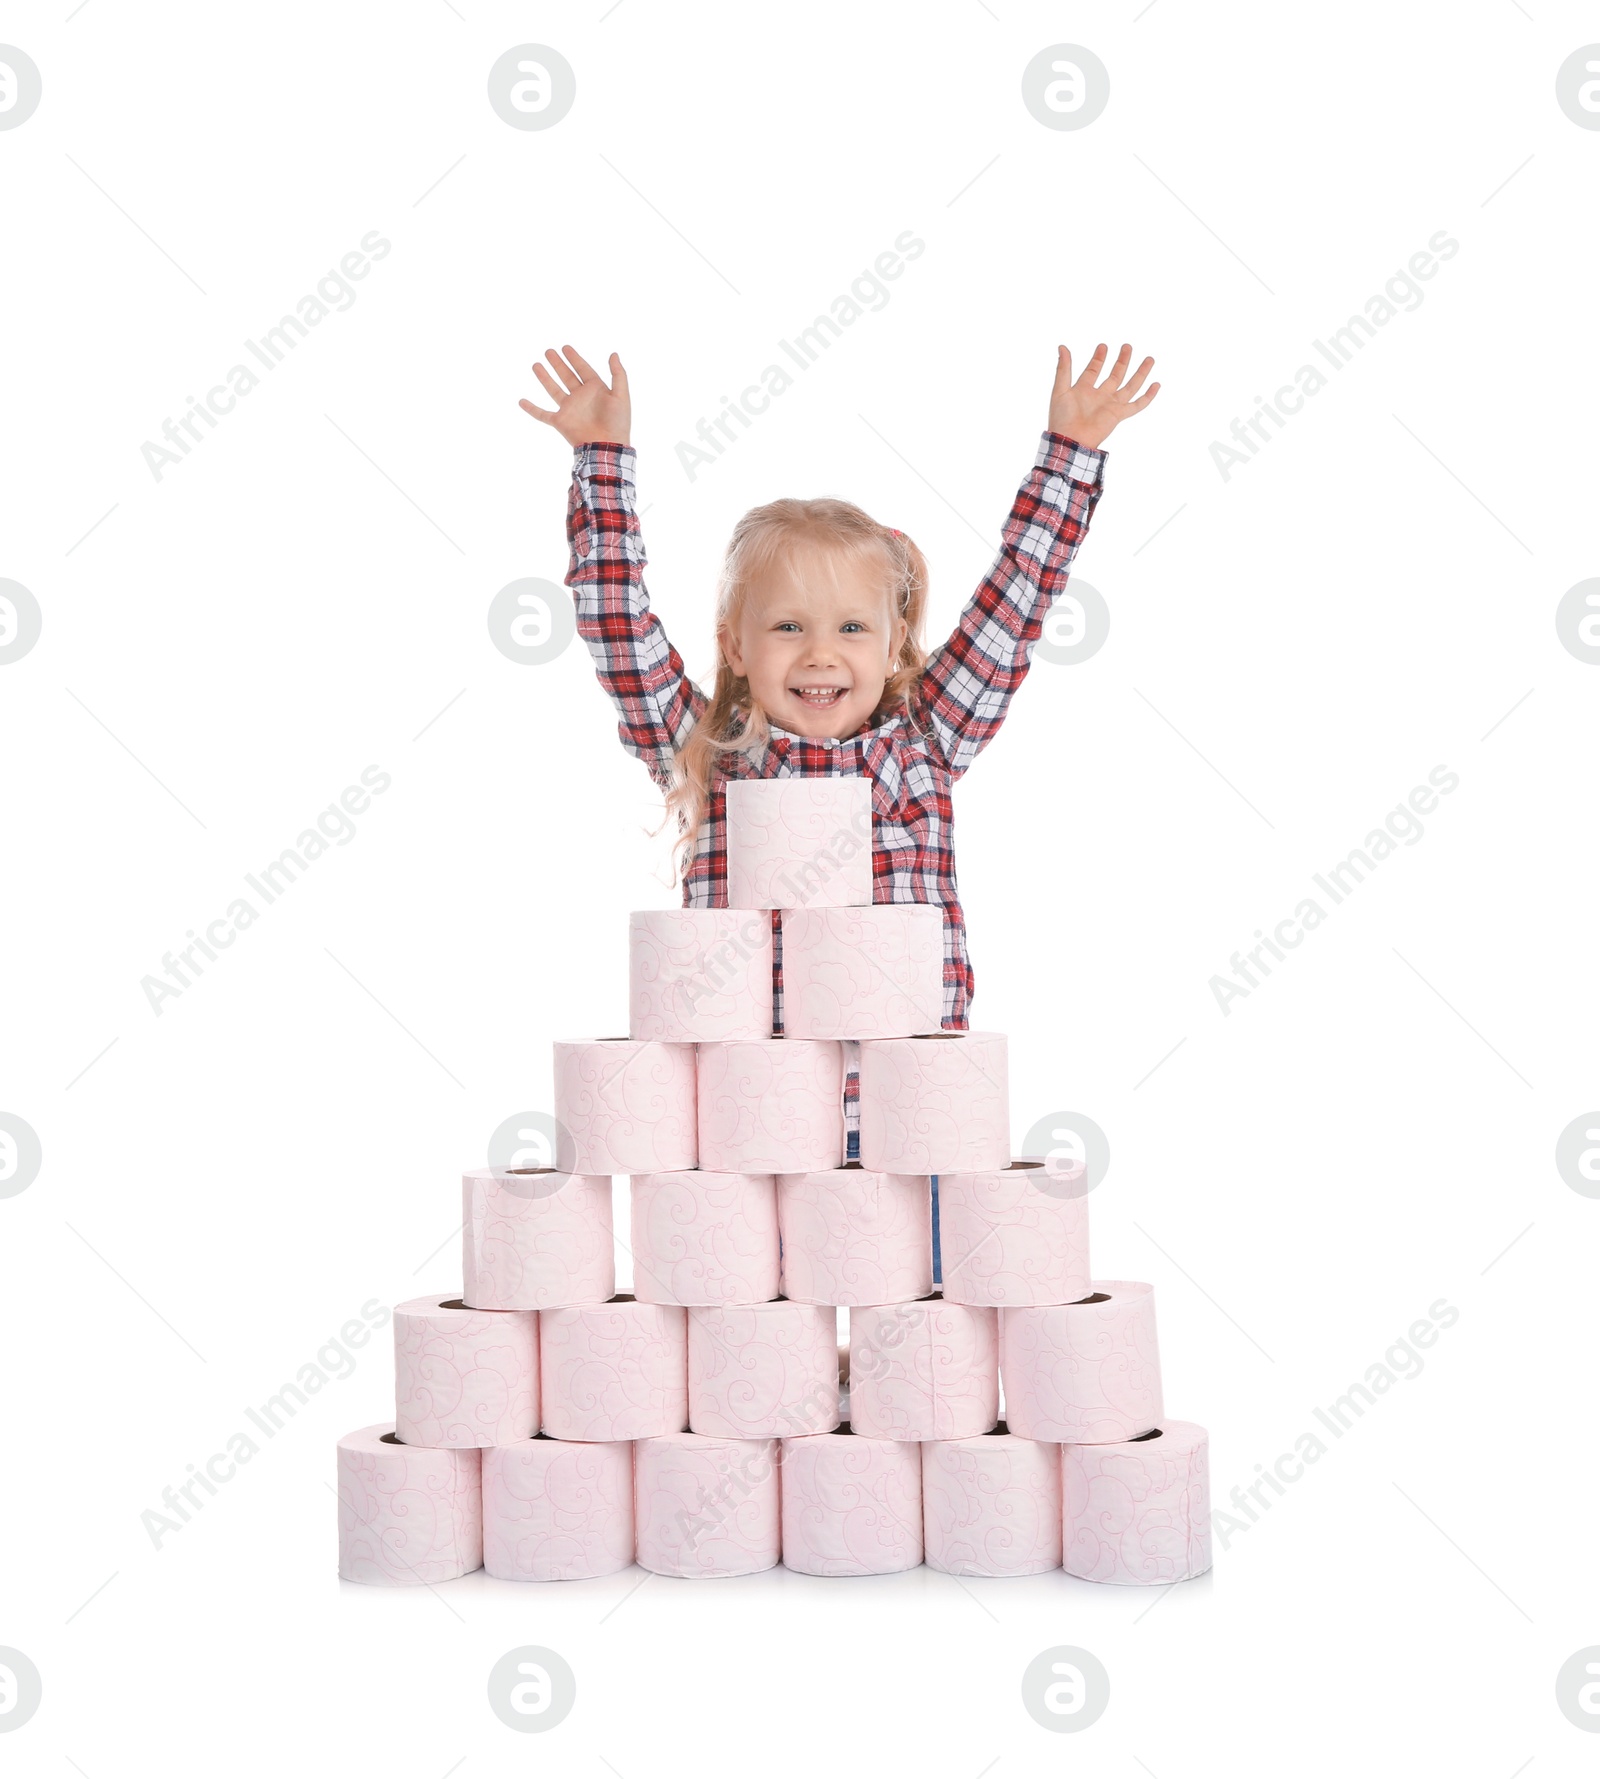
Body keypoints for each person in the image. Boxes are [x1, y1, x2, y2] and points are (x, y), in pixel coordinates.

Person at [523, 340, 1158, 1278]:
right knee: (760, 1343)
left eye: (851, 628)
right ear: (735, 646)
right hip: (752, 1133)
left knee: (930, 1347)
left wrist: (1069, 451)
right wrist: (600, 463)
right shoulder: (710, 758)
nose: (821, 655)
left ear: (897, 641)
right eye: (787, 627)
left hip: (915, 1121)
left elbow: (1015, 605)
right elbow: (615, 621)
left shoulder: (926, 744)